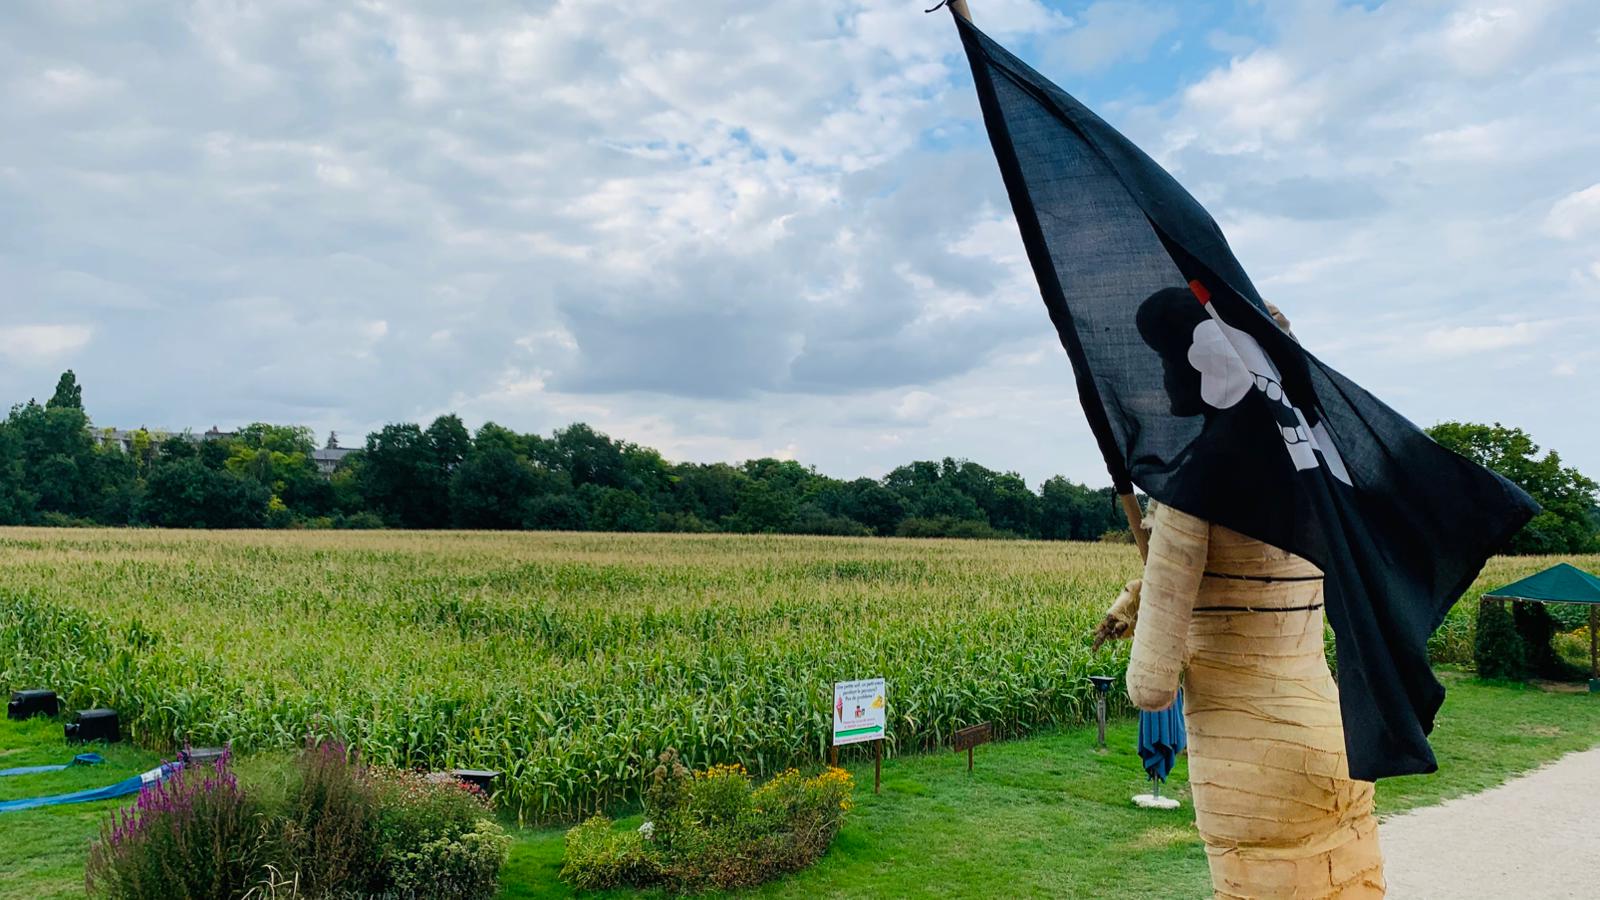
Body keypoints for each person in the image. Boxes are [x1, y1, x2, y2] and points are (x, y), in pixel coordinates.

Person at [1097, 296, 1386, 899]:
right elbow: (1251, 583)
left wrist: (1153, 638)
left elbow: (1152, 688)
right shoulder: (1317, 476)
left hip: (1251, 768)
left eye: (1171, 362)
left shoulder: (1192, 485)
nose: (1165, 378)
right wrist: (1137, 595)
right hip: (1338, 740)